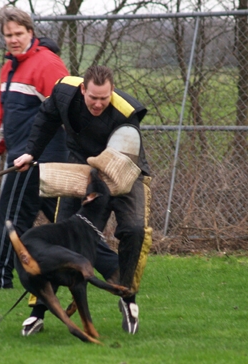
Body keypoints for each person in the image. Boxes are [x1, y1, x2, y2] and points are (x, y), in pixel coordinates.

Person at [14, 65, 153, 335]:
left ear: (111, 92)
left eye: (104, 98)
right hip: (83, 166)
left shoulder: (126, 112)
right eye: (93, 98)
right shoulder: (63, 92)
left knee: (135, 230)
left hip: (124, 169)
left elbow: (125, 152)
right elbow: (46, 118)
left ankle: (127, 298)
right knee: (60, 232)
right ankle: (38, 311)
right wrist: (31, 153)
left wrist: (100, 175)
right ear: (82, 90)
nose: (99, 103)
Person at [0, 6, 70, 290]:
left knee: (11, 217)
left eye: (18, 33)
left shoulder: (48, 64)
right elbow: (3, 116)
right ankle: (111, 266)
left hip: (38, 160)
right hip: (21, 157)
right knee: (70, 221)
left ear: (30, 32)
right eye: (8, 34)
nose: (13, 39)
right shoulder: (10, 67)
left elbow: (68, 111)